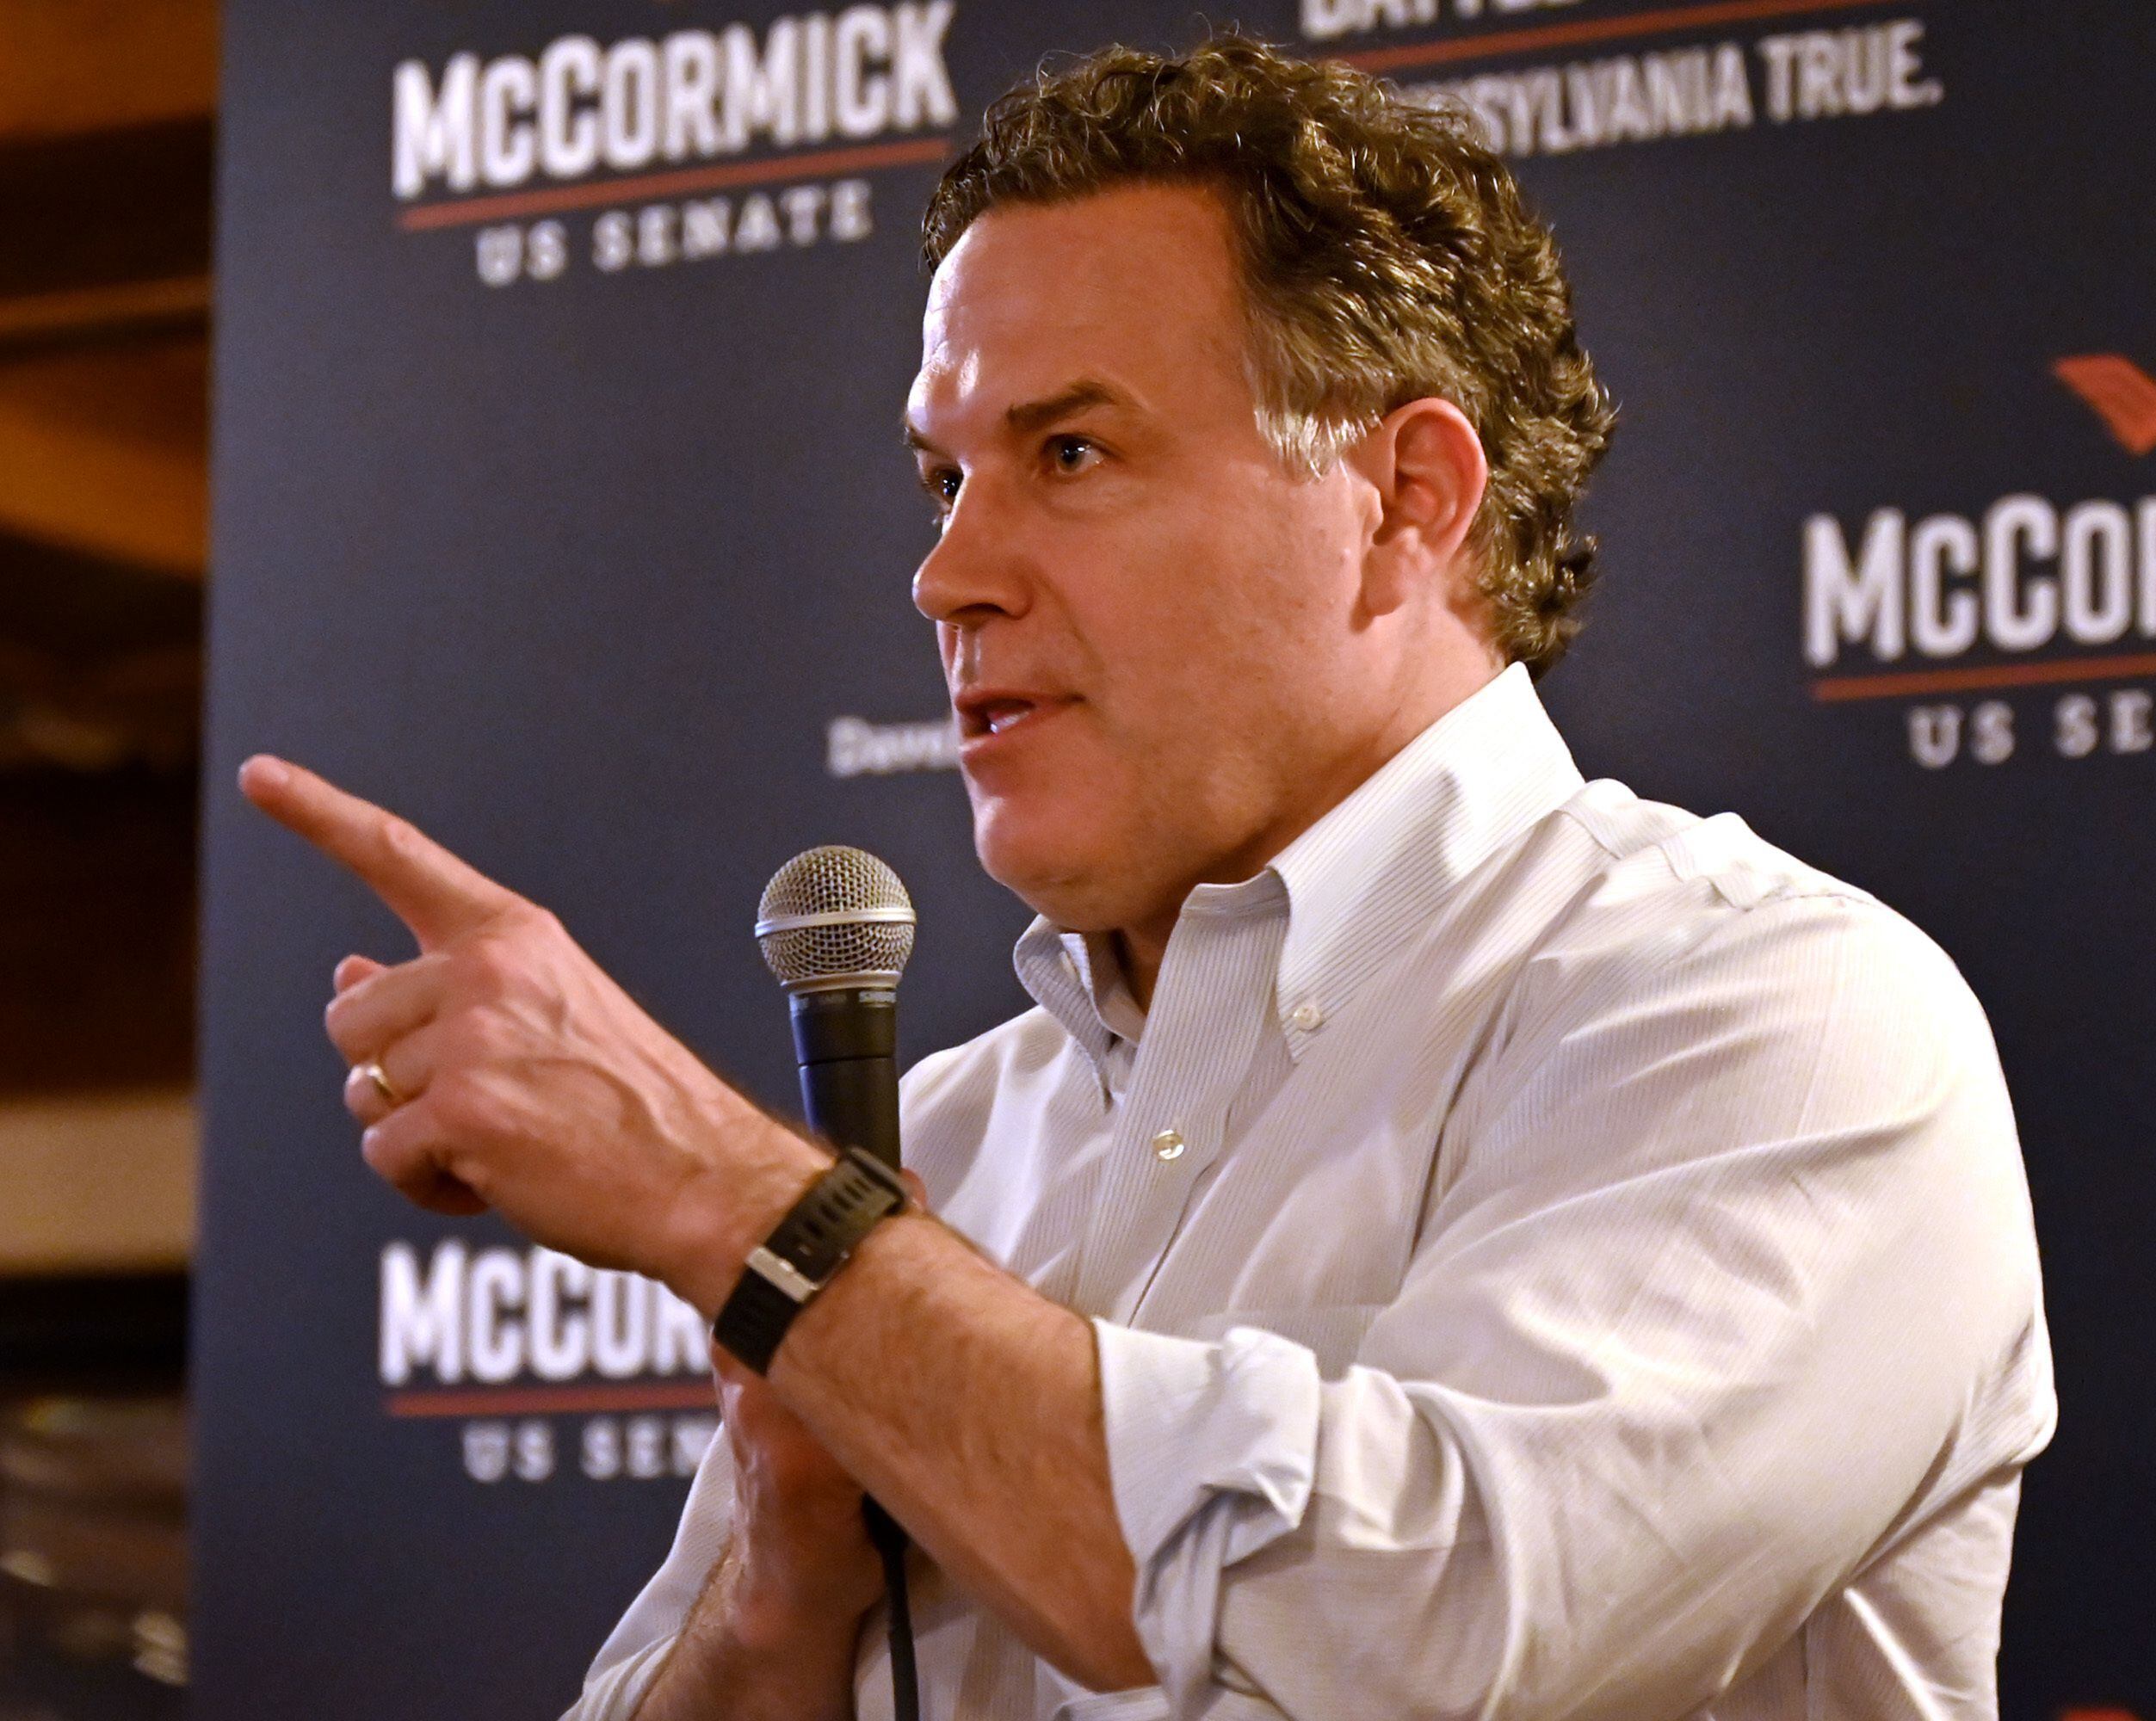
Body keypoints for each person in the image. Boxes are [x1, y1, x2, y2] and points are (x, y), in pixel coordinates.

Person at [238, 34, 2052, 1721]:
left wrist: (732, 1199)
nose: (948, 574)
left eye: (1072, 453)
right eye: (943, 478)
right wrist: (780, 1598)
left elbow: (1436, 1626)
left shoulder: (1776, 1017)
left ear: (1408, 501)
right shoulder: (937, 1149)